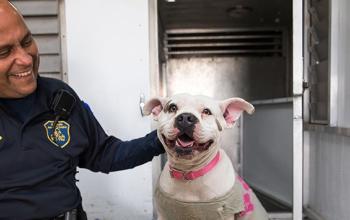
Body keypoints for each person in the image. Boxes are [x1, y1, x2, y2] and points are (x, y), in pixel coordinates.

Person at [0, 1, 164, 219]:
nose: (26, 59)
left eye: (27, 41)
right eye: (4, 52)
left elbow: (104, 154)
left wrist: (163, 139)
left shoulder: (59, 96)